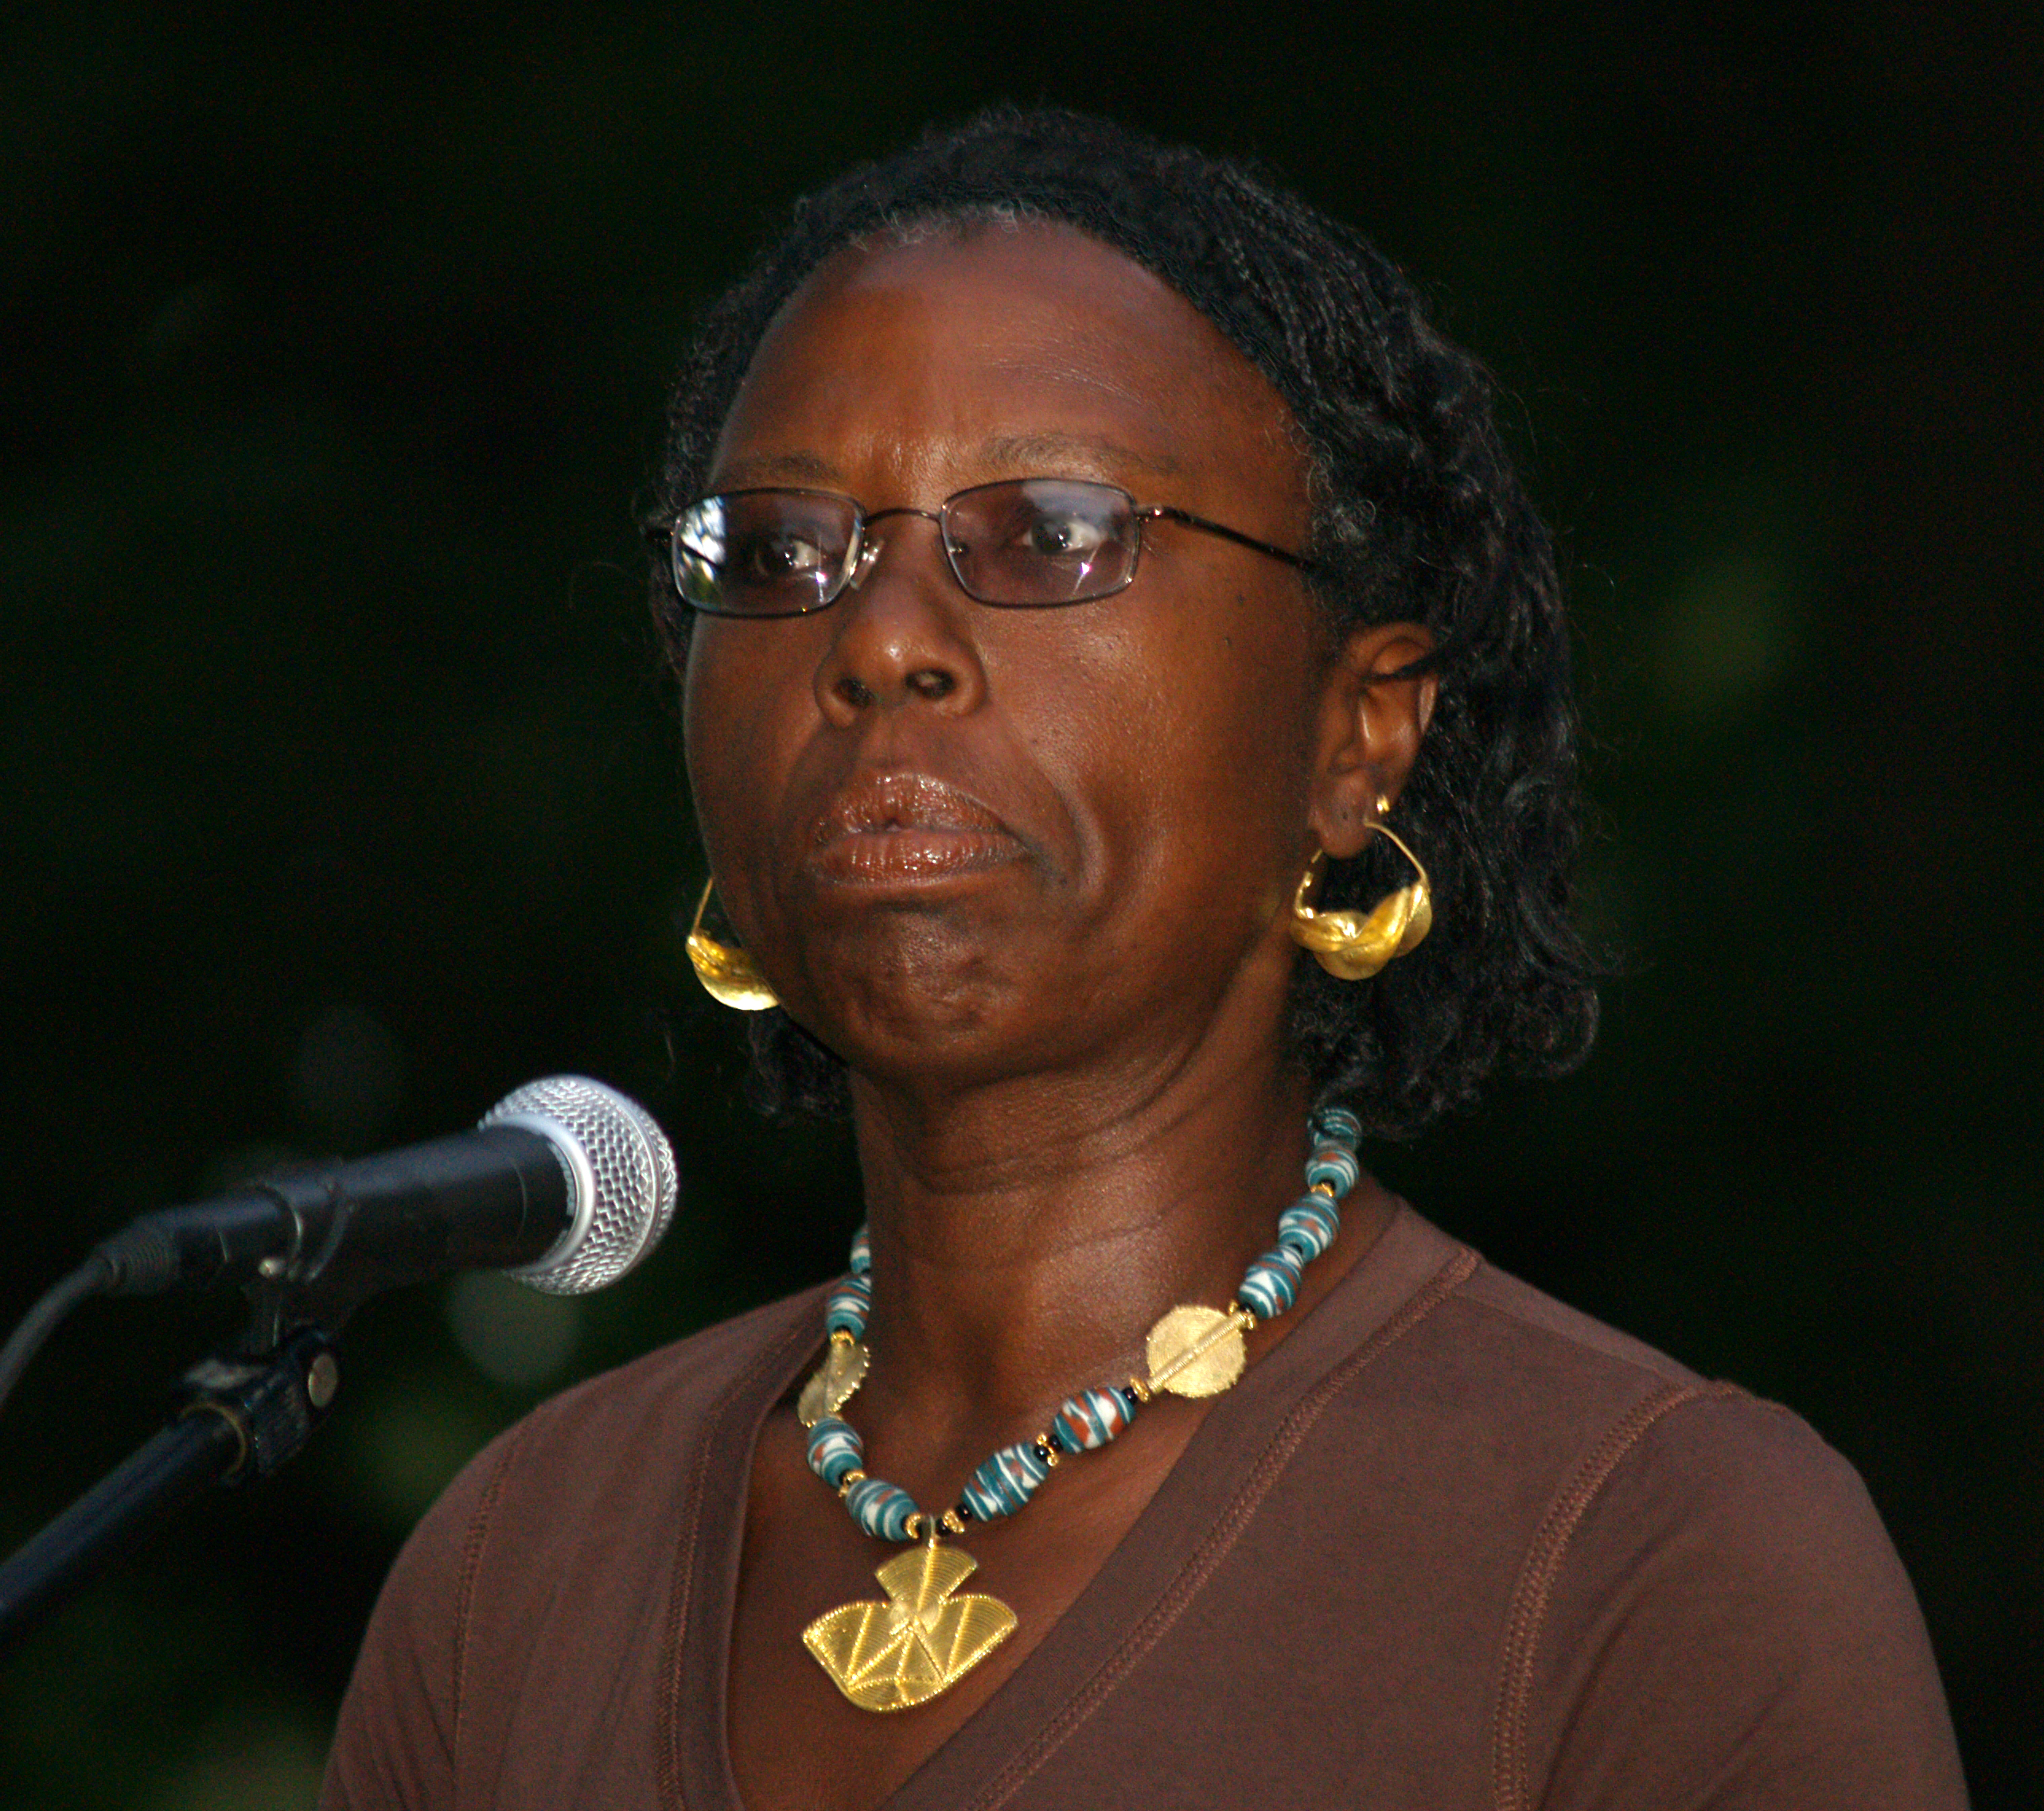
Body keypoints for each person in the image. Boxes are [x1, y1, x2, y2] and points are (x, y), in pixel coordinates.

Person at [321, 110, 1966, 1809]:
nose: (878, 637)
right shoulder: (513, 1573)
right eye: (781, 552)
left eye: (1047, 531)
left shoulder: (1652, 1551)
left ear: (1356, 733)